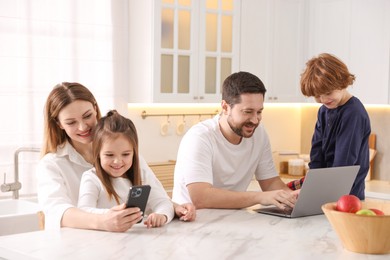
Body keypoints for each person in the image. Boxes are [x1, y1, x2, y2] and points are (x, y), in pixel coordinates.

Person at [37, 82, 194, 232]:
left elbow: (154, 193)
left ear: (95, 107)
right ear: (59, 124)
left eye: (87, 116)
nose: (83, 127)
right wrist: (104, 221)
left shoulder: (126, 152)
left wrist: (173, 208)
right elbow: (56, 211)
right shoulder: (51, 164)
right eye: (71, 122)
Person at [172, 71, 298, 210]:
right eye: (248, 112)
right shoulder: (200, 138)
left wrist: (293, 199)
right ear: (225, 107)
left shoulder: (259, 134)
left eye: (259, 112)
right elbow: (201, 198)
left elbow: (270, 182)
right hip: (194, 223)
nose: (255, 120)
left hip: (234, 220)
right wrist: (260, 197)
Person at [286, 53, 371, 200]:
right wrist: (311, 187)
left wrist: (315, 192)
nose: (323, 99)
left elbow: (343, 165)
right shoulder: (324, 110)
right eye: (317, 96)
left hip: (347, 196)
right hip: (325, 191)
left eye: (327, 93)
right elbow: (317, 152)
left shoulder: (353, 113)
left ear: (343, 83)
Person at [78, 110, 174, 228]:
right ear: (97, 154)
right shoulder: (92, 178)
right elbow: (83, 210)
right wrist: (110, 215)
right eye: (109, 155)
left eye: (126, 154)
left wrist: (161, 215)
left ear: (134, 153)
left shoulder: (142, 174)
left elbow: (163, 202)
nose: (117, 161)